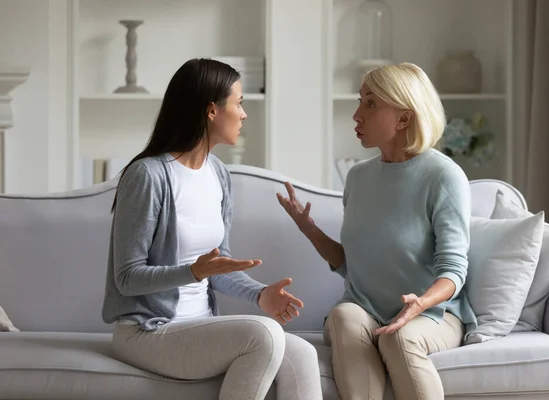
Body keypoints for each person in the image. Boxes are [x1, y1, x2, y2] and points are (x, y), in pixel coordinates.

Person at [101, 58, 323, 400]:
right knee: (263, 335)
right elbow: (127, 278)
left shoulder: (218, 174)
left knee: (303, 354)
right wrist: (192, 272)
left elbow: (218, 268)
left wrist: (261, 294)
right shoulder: (148, 175)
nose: (244, 114)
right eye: (239, 103)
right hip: (148, 331)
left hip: (199, 325)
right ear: (211, 111)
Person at [277, 62, 477, 400]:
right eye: (360, 101)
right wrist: (309, 229)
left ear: (404, 118)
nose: (357, 115)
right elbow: (351, 266)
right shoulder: (358, 178)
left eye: (370, 103)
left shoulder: (443, 177)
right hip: (364, 307)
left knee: (398, 337)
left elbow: (454, 270)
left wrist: (420, 303)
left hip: (432, 314)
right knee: (343, 316)